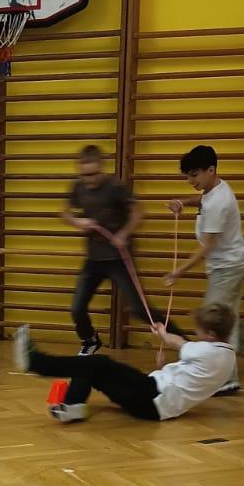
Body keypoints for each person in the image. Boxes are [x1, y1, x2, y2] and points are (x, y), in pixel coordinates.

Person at [164, 145, 244, 391]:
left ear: (210, 170)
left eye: (194, 175)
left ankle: (226, 380)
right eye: (187, 176)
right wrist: (183, 202)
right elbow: (203, 201)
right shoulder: (213, 190)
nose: (190, 181)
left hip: (227, 268)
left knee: (215, 321)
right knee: (228, 317)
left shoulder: (219, 201)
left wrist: (179, 271)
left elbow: (206, 247)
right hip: (229, 265)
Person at [13, 304, 237, 423]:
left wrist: (162, 333)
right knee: (95, 366)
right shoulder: (227, 358)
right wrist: (166, 369)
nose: (197, 335)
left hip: (152, 398)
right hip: (156, 398)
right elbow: (194, 379)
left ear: (210, 334)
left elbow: (176, 342)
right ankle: (73, 406)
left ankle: (36, 362)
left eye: (199, 331)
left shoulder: (206, 351)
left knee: (97, 363)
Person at [62, 144, 150, 354]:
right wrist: (77, 222)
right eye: (85, 175)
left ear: (101, 168)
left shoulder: (115, 187)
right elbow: (64, 213)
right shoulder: (78, 187)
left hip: (118, 258)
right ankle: (90, 340)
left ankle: (183, 343)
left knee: (140, 310)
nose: (89, 180)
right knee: (77, 308)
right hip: (94, 259)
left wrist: (124, 233)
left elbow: (139, 212)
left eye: (93, 174)